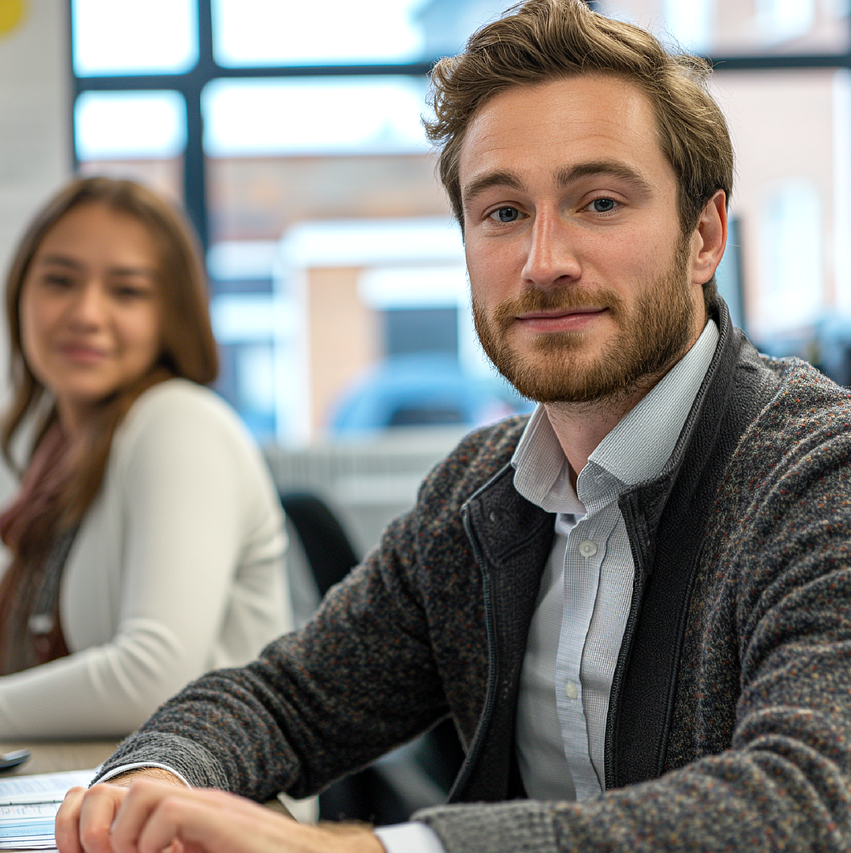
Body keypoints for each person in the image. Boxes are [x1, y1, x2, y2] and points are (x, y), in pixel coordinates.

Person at [55, 1, 851, 851]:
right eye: (502, 212)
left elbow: (812, 798)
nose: (543, 262)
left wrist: (373, 850)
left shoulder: (817, 472)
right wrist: (151, 781)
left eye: (599, 202)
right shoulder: (476, 494)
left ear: (704, 236)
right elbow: (289, 699)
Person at [0, 176, 291, 739]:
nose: (86, 313)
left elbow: (154, 679)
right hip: (104, 777)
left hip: (211, 784)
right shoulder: (57, 449)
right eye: (60, 281)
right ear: (20, 294)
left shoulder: (178, 422)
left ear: (170, 313)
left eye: (127, 291)